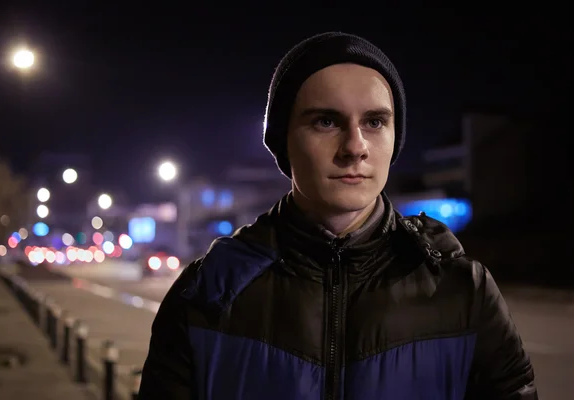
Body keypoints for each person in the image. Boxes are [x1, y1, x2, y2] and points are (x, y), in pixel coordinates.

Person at [138, 32, 537, 399]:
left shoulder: (462, 290)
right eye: (326, 121)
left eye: (375, 121)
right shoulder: (208, 295)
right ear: (283, 141)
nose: (355, 147)